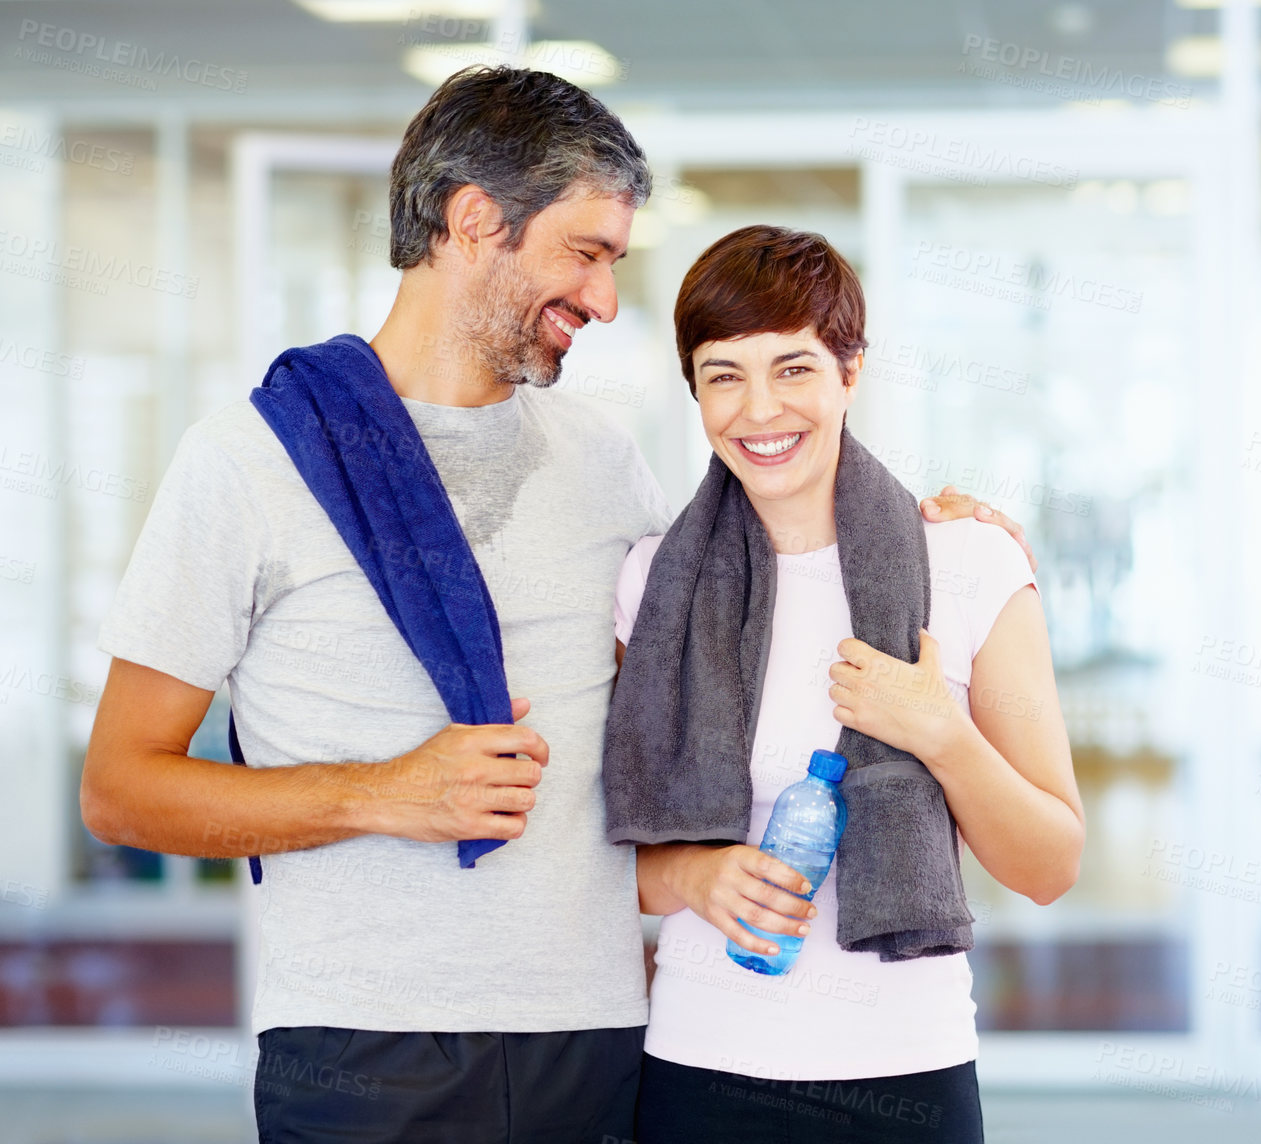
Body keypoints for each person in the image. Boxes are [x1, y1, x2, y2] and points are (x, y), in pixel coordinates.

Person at [79, 68, 1028, 1142]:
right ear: (475, 221)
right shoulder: (246, 465)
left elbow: (750, 584)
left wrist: (934, 532)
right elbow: (121, 791)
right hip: (367, 1049)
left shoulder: (603, 462)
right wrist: (386, 793)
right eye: (585, 253)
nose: (606, 299)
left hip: (604, 1040)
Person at [608, 225, 1084, 1143]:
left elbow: (1048, 866)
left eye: (793, 369)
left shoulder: (970, 564)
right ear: (695, 393)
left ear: (849, 374)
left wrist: (938, 731)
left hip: (905, 1071)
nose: (758, 410)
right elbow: (603, 859)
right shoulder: (650, 583)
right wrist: (698, 878)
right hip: (702, 1065)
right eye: (723, 375)